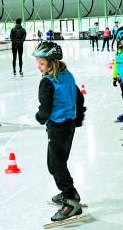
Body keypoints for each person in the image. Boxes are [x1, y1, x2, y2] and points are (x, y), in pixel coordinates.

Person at [32, 41, 86, 222]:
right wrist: (78, 118)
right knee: (56, 163)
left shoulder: (47, 83)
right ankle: (70, 194)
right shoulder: (67, 75)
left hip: (57, 127)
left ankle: (71, 201)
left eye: (41, 63)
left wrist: (38, 118)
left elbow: (45, 110)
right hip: (68, 125)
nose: (38, 66)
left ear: (51, 62)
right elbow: (79, 97)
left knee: (56, 165)